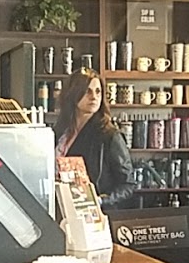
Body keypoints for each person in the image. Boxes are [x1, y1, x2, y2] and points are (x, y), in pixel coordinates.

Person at [54, 69, 134, 208]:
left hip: (93, 212)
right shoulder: (60, 131)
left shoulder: (109, 135)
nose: (94, 97)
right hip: (59, 206)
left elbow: (127, 184)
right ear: (73, 93)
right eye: (88, 91)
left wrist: (101, 201)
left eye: (98, 92)